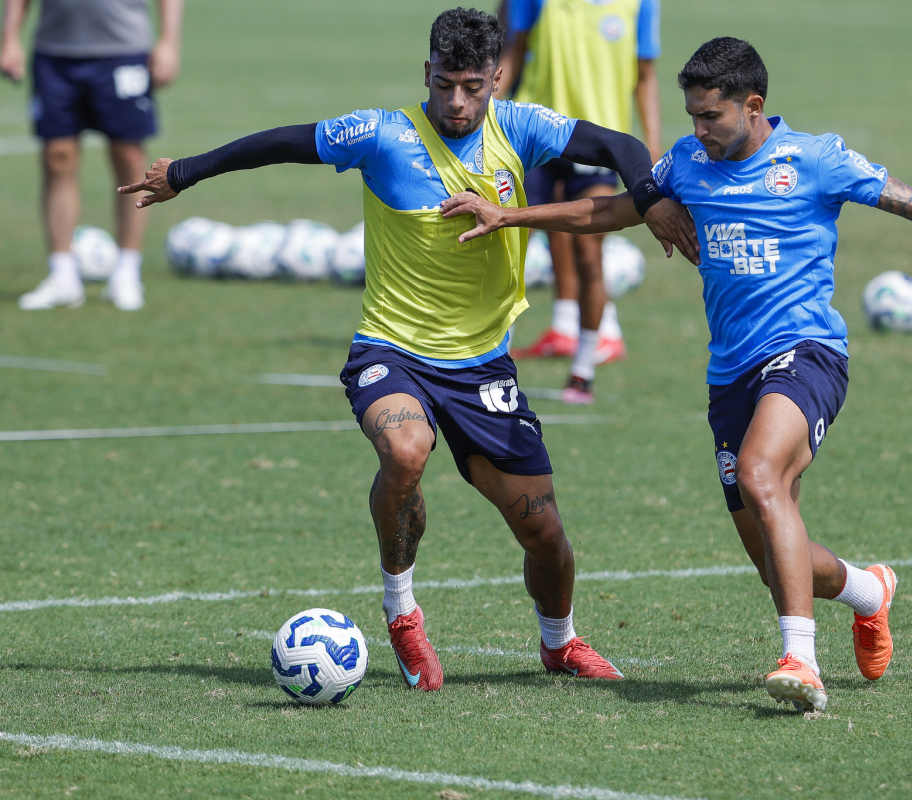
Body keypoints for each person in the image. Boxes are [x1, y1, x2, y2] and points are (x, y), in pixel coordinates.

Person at [441, 36, 912, 711]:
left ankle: (799, 662)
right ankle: (870, 591)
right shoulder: (687, 163)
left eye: (710, 117)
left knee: (759, 473)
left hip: (806, 355)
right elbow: (609, 210)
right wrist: (510, 216)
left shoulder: (815, 160)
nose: (698, 130)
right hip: (730, 378)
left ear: (753, 107)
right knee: (776, 559)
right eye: (691, 116)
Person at [118, 7, 695, 691]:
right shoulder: (383, 134)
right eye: (445, 83)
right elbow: (279, 143)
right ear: (426, 73)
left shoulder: (520, 128)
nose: (457, 101)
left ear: (496, 80)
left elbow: (617, 142)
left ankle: (559, 643)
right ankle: (402, 613)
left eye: (473, 87)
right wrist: (183, 171)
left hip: (483, 364)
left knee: (544, 534)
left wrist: (651, 195)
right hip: (390, 349)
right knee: (404, 450)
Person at [497, 0, 662, 404]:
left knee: (590, 251)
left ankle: (583, 370)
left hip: (598, 142)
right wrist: (482, 115)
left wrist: (653, 151)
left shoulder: (640, 3)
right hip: (534, 137)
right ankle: (495, 365)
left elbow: (645, 75)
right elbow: (514, 50)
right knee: (506, 251)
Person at [3, 0, 183, 311]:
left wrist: (169, 41)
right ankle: (62, 275)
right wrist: (10, 39)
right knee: (57, 156)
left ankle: (127, 272)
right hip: (56, 53)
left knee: (129, 156)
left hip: (124, 49)